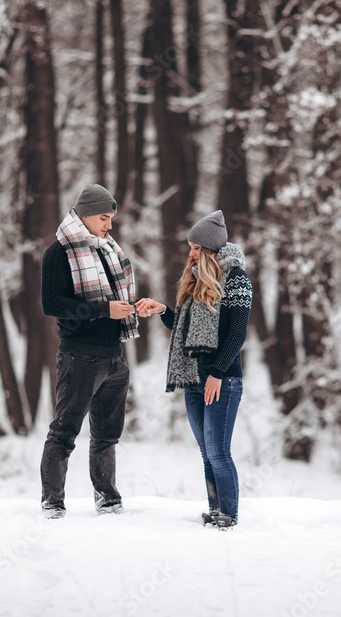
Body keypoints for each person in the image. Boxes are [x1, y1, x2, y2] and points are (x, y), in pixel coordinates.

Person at [136, 210, 252, 529]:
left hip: (222, 381)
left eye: (196, 248)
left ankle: (229, 513)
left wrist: (216, 372)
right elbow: (186, 332)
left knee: (218, 452)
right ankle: (215, 509)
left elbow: (237, 333)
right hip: (193, 380)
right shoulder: (198, 281)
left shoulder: (237, 279)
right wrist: (162, 311)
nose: (191, 253)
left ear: (210, 249)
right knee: (206, 453)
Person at [40, 184, 138, 519]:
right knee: (64, 432)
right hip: (79, 355)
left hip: (114, 356)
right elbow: (52, 304)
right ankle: (52, 502)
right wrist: (102, 309)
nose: (109, 225)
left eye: (111, 218)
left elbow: (112, 300)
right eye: (103, 217)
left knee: (107, 436)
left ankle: (108, 499)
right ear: (84, 215)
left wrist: (130, 308)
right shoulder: (60, 252)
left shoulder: (106, 250)